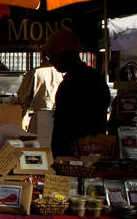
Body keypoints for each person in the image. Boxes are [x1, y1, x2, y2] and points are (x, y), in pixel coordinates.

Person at [45, 29, 110, 157]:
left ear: (67, 55)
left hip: (75, 156)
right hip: (92, 153)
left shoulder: (72, 84)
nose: (51, 61)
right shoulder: (95, 78)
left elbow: (64, 127)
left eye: (53, 56)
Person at [17, 51, 62, 131]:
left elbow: (23, 96)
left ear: (42, 57)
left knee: (39, 141)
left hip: (39, 117)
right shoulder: (62, 73)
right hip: (58, 117)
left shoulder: (34, 72)